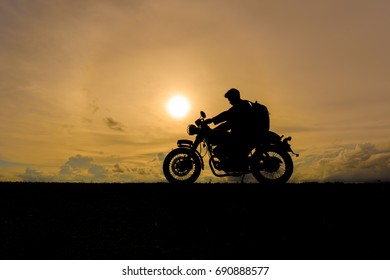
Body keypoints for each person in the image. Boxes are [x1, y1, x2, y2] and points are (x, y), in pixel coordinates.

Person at [205, 88, 253, 170]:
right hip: (240, 134)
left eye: (229, 98)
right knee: (220, 145)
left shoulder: (241, 106)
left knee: (218, 150)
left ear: (235, 96)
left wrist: (212, 120)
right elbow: (228, 122)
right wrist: (215, 129)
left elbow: (227, 116)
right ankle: (232, 163)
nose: (229, 101)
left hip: (243, 135)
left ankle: (234, 165)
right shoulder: (238, 106)